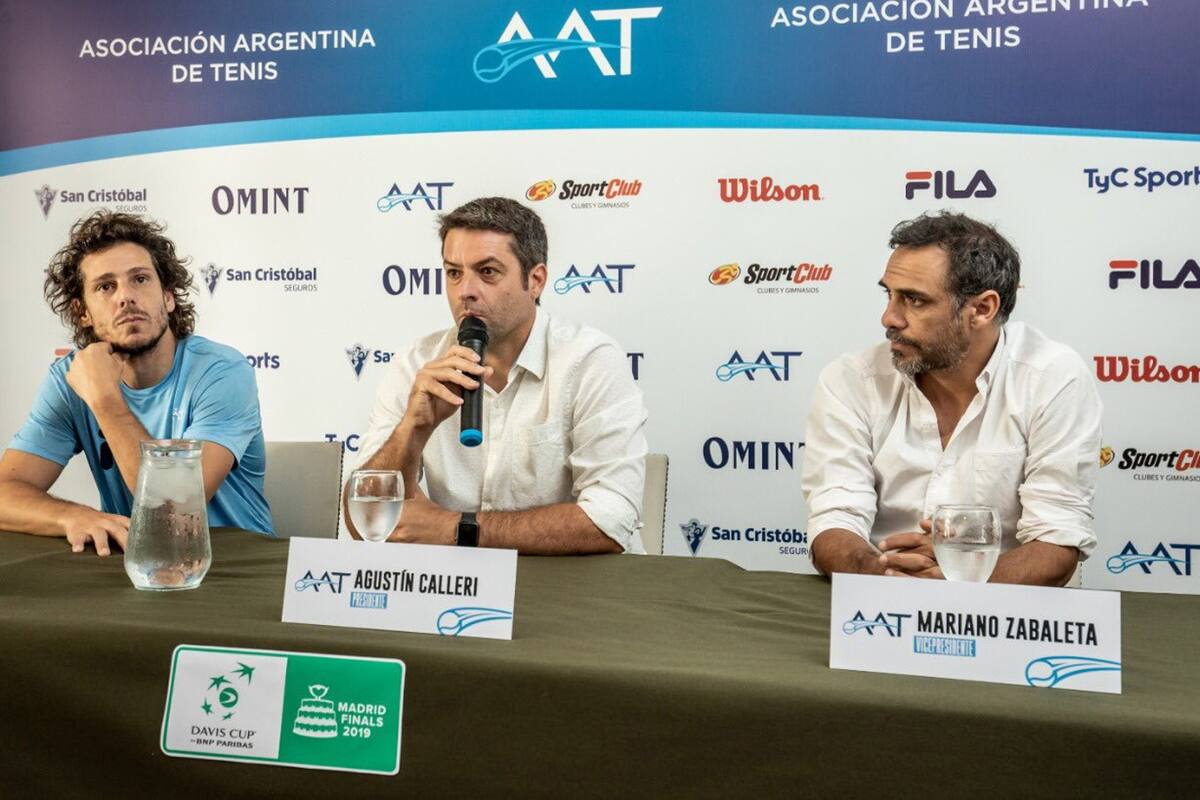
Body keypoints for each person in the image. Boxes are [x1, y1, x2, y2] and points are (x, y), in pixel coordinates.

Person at [801, 211, 1101, 586]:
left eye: (915, 300)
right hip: (879, 602)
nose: (889, 317)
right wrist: (879, 572)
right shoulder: (850, 379)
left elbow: (1058, 539)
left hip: (1010, 609)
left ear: (982, 309)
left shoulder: (1053, 377)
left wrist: (957, 586)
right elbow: (834, 519)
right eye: (889, 294)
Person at [345, 196, 647, 553]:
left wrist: (456, 529)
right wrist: (413, 428)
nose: (465, 292)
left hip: (573, 584)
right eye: (454, 273)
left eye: (487, 272)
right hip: (456, 589)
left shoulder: (590, 360)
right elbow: (362, 520)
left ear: (535, 281)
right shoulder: (416, 362)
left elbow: (610, 521)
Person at [0, 211, 273, 556]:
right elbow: (6, 491)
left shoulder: (221, 371)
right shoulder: (70, 378)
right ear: (83, 312)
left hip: (234, 566)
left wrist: (105, 400)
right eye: (105, 286)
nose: (125, 297)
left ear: (168, 298)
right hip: (140, 565)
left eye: (140, 279)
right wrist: (71, 516)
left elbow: (173, 511)